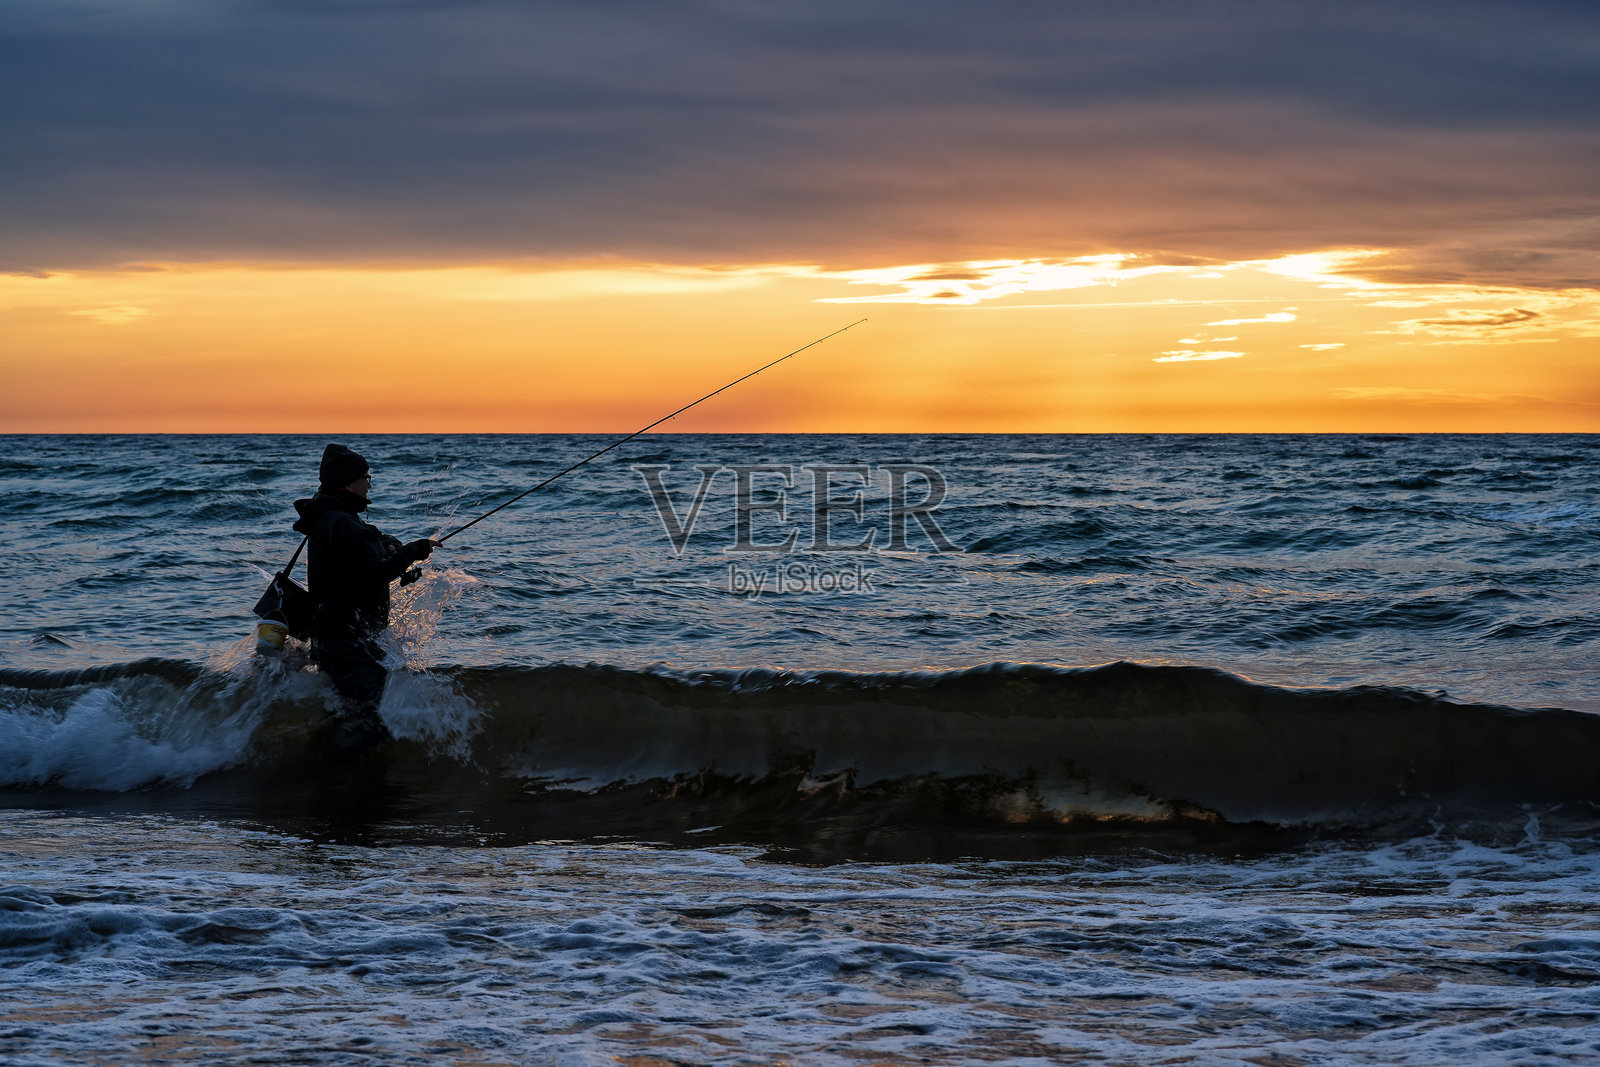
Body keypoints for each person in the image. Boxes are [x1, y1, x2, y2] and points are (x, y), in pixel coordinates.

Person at [292, 443, 437, 751]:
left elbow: (368, 544)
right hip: (348, 643)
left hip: (337, 638)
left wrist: (390, 545)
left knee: (352, 716)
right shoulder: (342, 522)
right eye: (365, 477)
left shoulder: (332, 516)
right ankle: (337, 771)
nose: (369, 483)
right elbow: (372, 575)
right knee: (368, 725)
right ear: (348, 482)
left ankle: (322, 763)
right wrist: (412, 551)